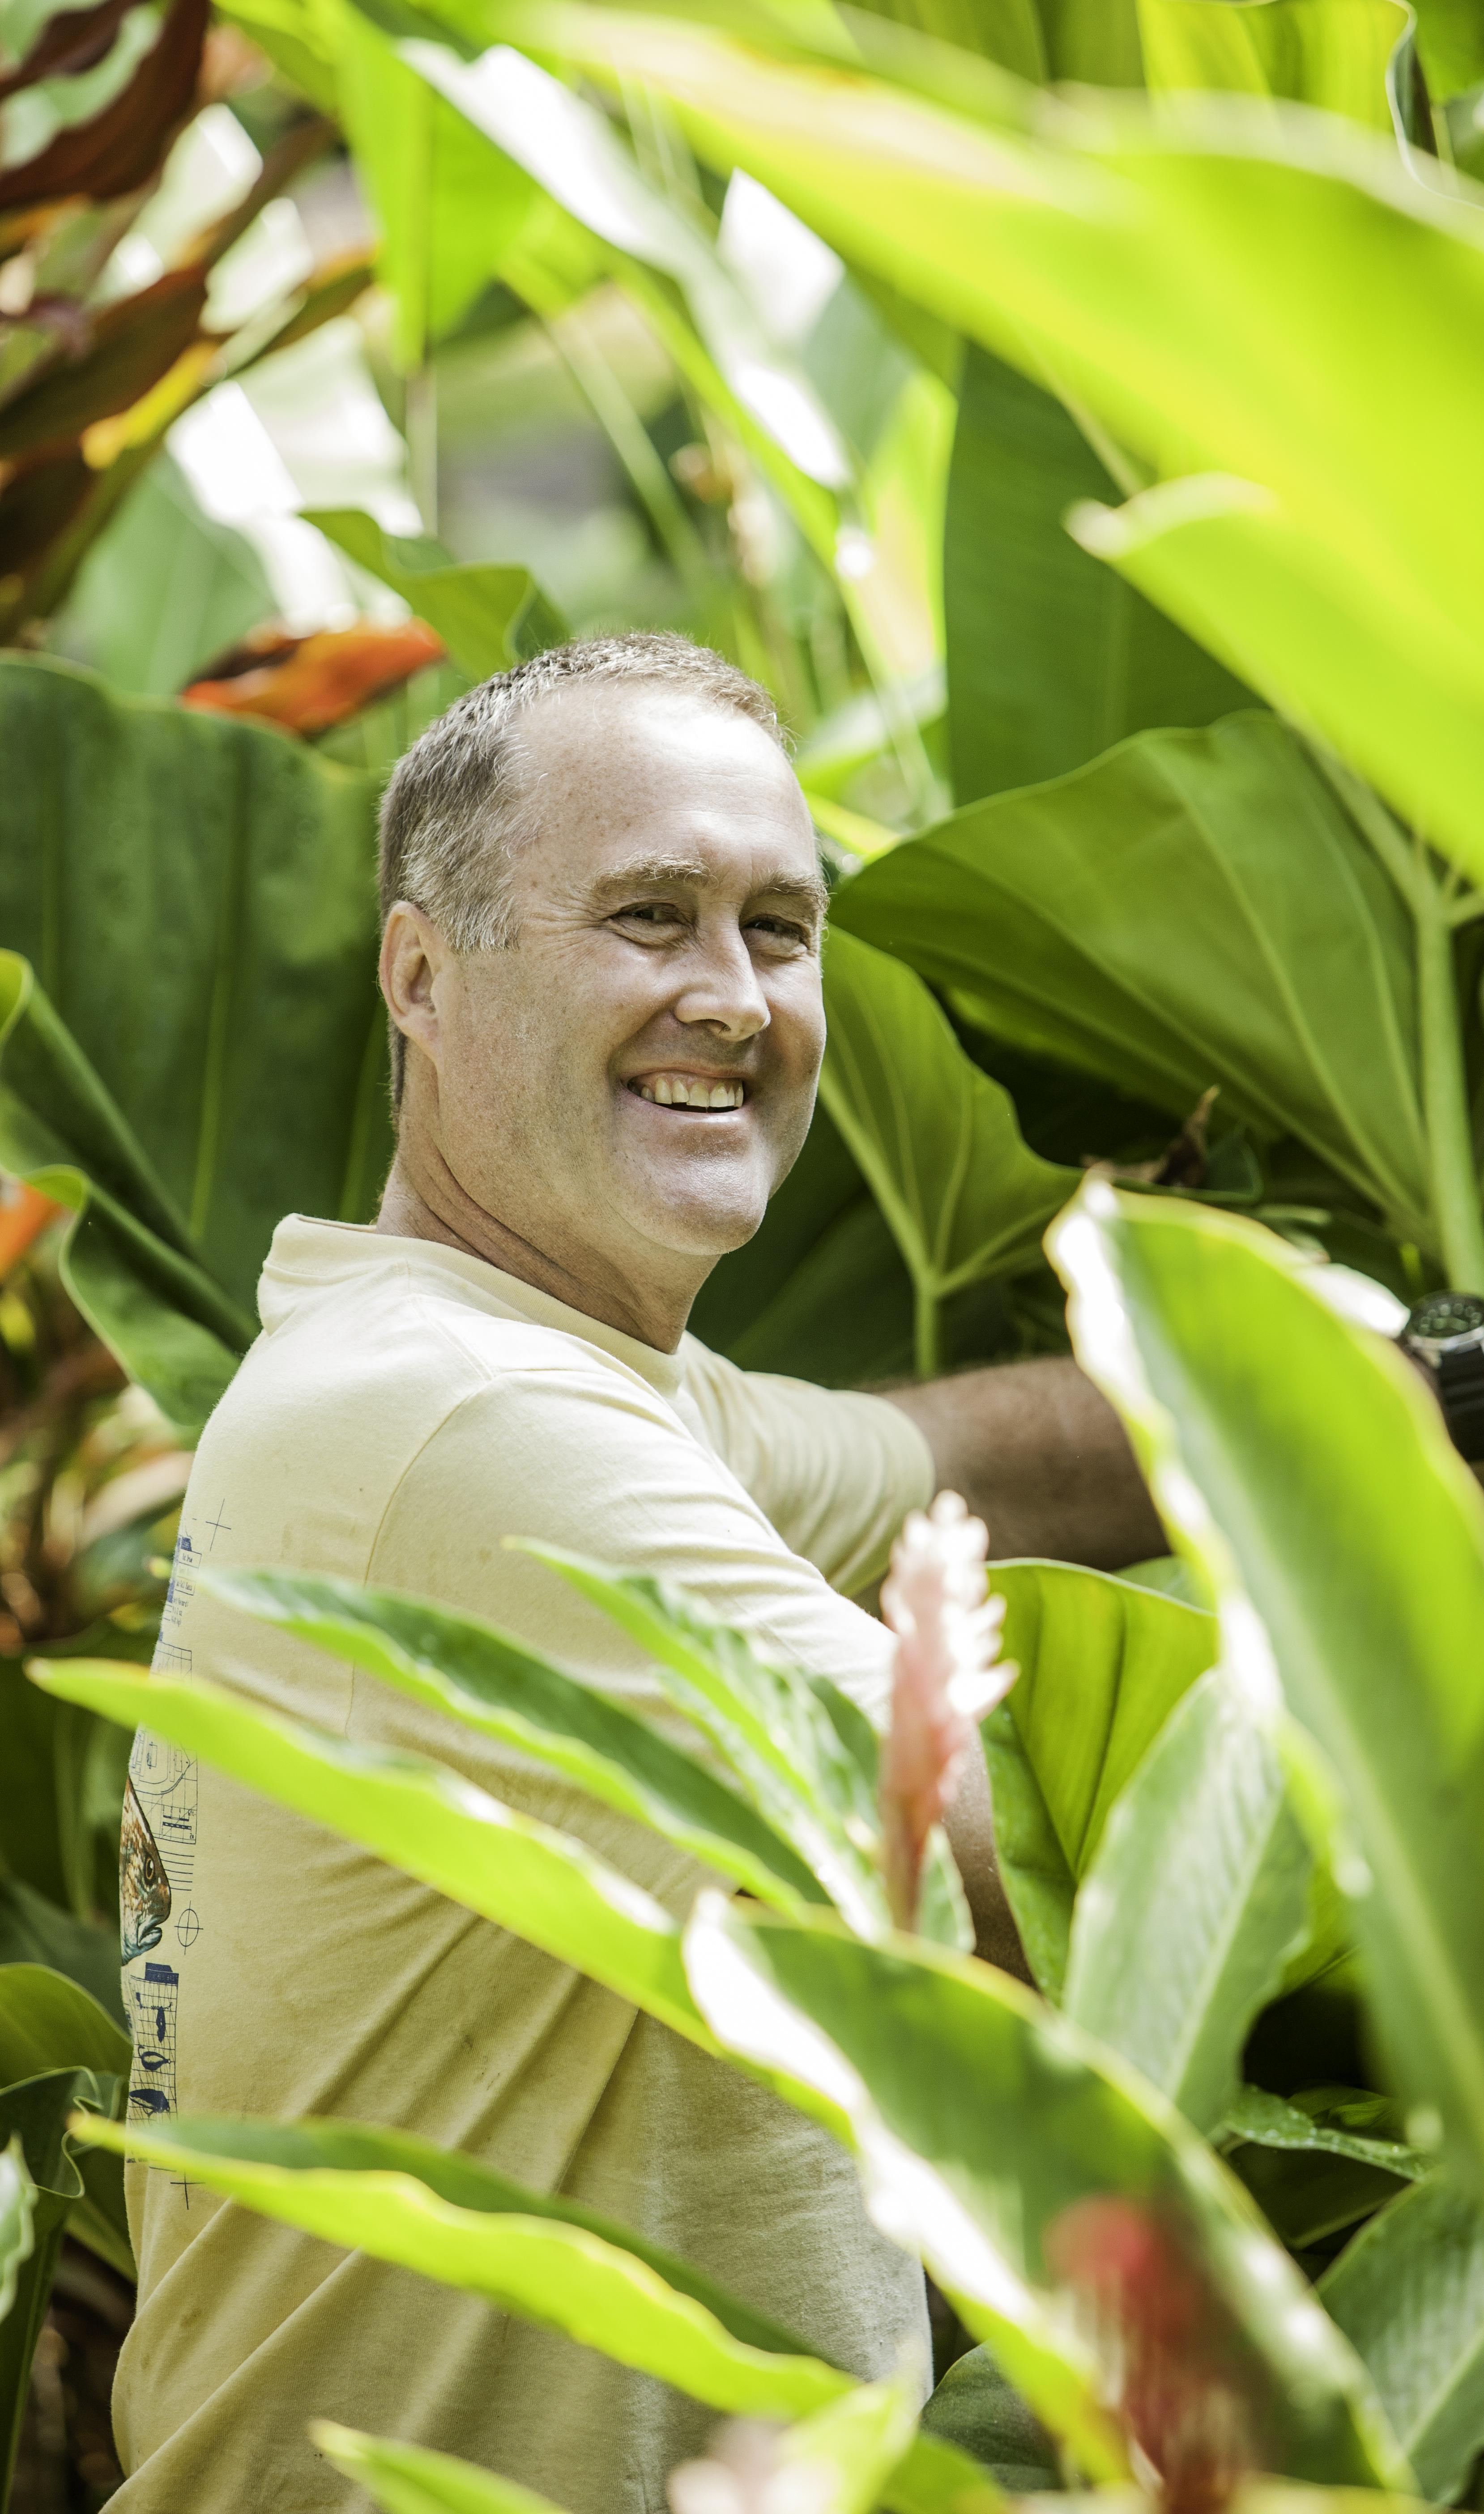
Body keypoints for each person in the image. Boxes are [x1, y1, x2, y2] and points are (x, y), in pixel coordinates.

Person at [109, 636, 1163, 2511]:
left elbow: (965, 1465)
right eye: (652, 916)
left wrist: (1454, 1385)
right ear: (421, 978)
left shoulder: (535, 1371)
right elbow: (1051, 1890)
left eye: (780, 927)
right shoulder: (470, 1425)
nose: (735, 997)